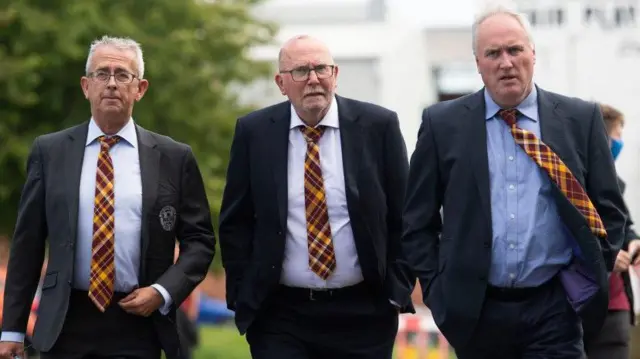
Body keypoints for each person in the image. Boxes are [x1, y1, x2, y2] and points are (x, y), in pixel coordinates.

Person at [401, 6, 627, 359]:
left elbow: (609, 213)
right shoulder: (442, 125)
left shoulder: (579, 120)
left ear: (532, 54)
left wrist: (587, 277)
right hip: (477, 312)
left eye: (515, 49)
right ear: (478, 62)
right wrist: (438, 290)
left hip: (555, 308)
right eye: (493, 53)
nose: (505, 62)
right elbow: (417, 221)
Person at [0, 35, 216, 359]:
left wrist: (162, 292)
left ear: (140, 89)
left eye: (123, 75)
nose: (111, 84)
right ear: (86, 86)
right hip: (65, 321)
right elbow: (27, 243)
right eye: (102, 74)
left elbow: (199, 241)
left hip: (138, 322)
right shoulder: (50, 152)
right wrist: (12, 329)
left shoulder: (173, 157)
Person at [218, 34, 415, 359]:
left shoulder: (378, 126)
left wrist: (397, 288)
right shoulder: (255, 132)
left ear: (335, 75)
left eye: (321, 68)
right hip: (281, 314)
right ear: (281, 83)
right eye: (300, 71)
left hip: (364, 314)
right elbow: (235, 221)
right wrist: (242, 292)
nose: (313, 79)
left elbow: (406, 214)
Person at [584, 103, 640, 359]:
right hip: (576, 306)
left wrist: (633, 243)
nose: (620, 144)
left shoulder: (614, 184)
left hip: (616, 306)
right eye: (617, 136)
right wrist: (603, 254)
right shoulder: (571, 182)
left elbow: (623, 226)